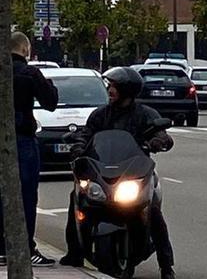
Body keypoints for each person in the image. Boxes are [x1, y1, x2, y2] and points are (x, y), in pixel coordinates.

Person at [60, 67, 176, 279]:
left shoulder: (145, 114)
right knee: (77, 198)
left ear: (126, 90)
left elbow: (163, 135)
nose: (110, 90)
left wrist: (158, 141)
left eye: (114, 86)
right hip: (104, 172)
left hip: (136, 173)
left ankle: (166, 265)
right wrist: (78, 149)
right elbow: (86, 135)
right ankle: (75, 251)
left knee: (154, 212)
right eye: (110, 86)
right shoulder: (100, 115)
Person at [0, 32, 58, 267]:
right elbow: (50, 102)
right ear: (25, 50)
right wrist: (50, 86)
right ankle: (25, 247)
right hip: (22, 138)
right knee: (26, 195)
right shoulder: (30, 72)